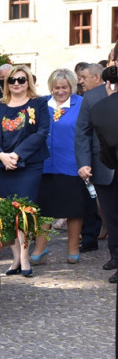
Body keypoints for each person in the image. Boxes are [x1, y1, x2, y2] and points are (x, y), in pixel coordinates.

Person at [0, 65, 50, 277]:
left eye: (21, 80)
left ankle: (25, 258)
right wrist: (1, 155)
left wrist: (17, 154)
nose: (16, 84)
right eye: (12, 80)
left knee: (23, 211)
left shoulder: (38, 103)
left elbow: (42, 132)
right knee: (7, 212)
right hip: (3, 165)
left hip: (29, 165)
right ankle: (15, 258)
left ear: (28, 82)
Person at [31, 69, 86, 265]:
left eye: (64, 87)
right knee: (43, 208)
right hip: (44, 164)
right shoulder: (41, 103)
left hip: (72, 164)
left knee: (73, 209)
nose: (60, 91)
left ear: (71, 87)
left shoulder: (81, 104)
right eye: (56, 87)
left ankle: (72, 248)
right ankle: (40, 247)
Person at [76, 44, 118, 282]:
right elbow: (82, 132)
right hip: (104, 165)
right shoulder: (92, 96)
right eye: (114, 59)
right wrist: (83, 163)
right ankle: (115, 254)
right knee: (111, 215)